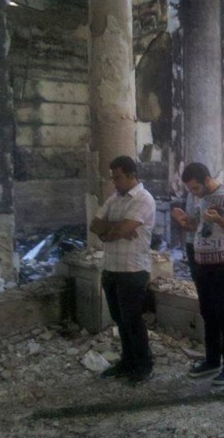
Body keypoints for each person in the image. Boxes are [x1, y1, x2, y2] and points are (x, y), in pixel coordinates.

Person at [172, 163, 224, 386]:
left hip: (222, 263)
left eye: (195, 188)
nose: (193, 193)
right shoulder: (201, 197)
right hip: (201, 261)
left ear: (206, 180)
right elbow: (197, 225)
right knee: (207, 311)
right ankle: (212, 360)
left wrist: (219, 220)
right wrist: (184, 220)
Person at [89, 156, 156, 384]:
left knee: (133, 320)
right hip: (112, 268)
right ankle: (127, 361)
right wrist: (117, 229)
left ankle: (144, 365)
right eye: (112, 177)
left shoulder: (144, 199)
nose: (114, 182)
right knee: (120, 319)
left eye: (117, 177)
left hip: (133, 270)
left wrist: (118, 230)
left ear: (131, 175)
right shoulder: (114, 199)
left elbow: (123, 228)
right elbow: (94, 225)